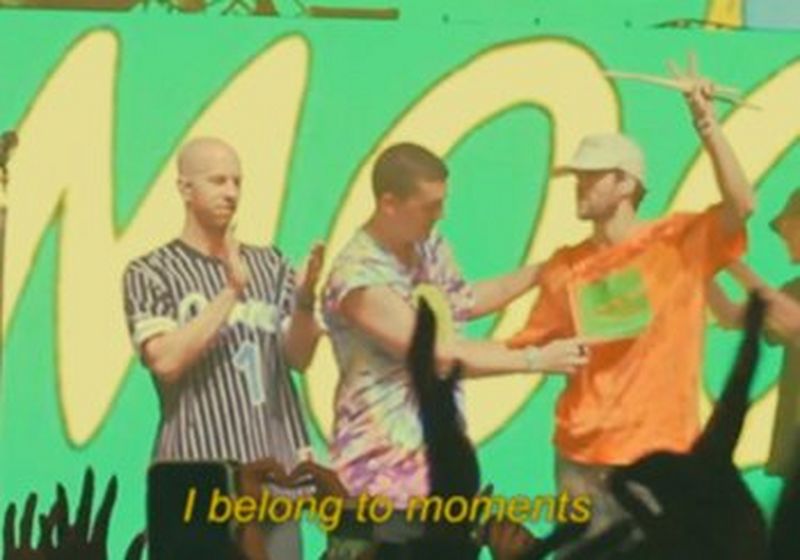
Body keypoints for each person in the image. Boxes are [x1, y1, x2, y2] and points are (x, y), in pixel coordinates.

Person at [507, 71, 754, 550]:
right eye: (576, 174)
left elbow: (741, 204)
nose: (577, 183)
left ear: (625, 183)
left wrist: (706, 122)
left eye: (589, 175)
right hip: (580, 460)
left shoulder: (678, 242)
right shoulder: (566, 266)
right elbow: (529, 346)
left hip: (657, 461)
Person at [322, 142, 588, 555]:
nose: (439, 215)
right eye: (430, 206)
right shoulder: (357, 276)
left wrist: (541, 271)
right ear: (390, 204)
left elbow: (465, 300)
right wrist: (535, 358)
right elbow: (436, 355)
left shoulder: (428, 246)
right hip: (380, 483)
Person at [122, 137, 323, 560]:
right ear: (184, 188)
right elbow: (165, 361)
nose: (231, 193)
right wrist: (231, 290)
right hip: (196, 480)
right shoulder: (150, 271)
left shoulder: (270, 264)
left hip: (273, 479)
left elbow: (299, 358)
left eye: (237, 182)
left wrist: (305, 300)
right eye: (217, 181)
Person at [709, 188, 800, 479]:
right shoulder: (794, 290)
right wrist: (699, 269)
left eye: (788, 226)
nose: (783, 235)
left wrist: (726, 258)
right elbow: (732, 316)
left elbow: (791, 320)